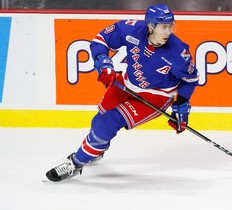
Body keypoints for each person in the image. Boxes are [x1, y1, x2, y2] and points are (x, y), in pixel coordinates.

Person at [46, 3, 199, 182]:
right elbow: (100, 40)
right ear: (150, 26)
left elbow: (190, 80)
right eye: (163, 27)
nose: (168, 32)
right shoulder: (131, 29)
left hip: (156, 97)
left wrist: (181, 105)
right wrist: (103, 62)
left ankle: (74, 164)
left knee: (109, 122)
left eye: (170, 26)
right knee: (99, 121)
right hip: (126, 84)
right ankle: (95, 150)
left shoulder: (179, 53)